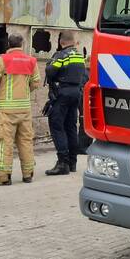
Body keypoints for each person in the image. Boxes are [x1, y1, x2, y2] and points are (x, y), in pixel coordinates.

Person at [0, 33, 41, 186]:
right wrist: (25, 92)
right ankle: (28, 175)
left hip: (7, 110)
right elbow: (36, 82)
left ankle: (3, 178)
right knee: (26, 141)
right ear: (21, 44)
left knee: (5, 142)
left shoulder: (1, 60)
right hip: (25, 109)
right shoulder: (31, 61)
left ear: (8, 44)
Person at [44, 32, 89, 175]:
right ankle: (72, 162)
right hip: (76, 94)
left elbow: (50, 72)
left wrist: (50, 63)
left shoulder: (61, 55)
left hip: (62, 93)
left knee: (57, 125)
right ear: (73, 42)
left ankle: (63, 163)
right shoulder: (79, 56)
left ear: (61, 42)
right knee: (71, 126)